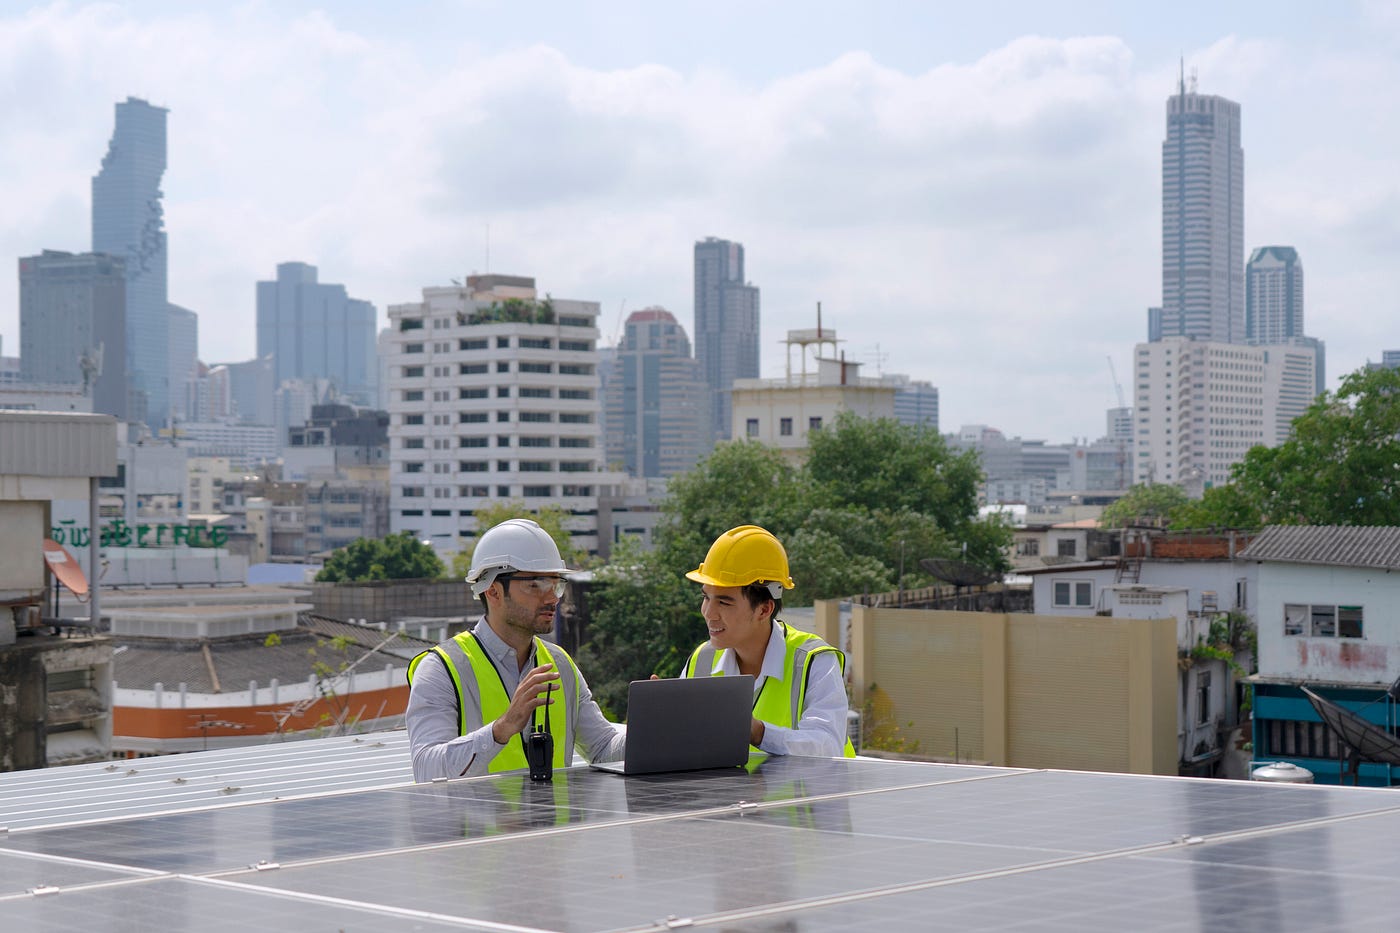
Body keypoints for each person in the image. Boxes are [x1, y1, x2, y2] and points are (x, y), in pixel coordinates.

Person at [406, 518, 624, 781]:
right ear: (493, 591)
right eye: (535, 584)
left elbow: (602, 747)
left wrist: (652, 729)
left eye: (555, 584)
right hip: (477, 811)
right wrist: (501, 729)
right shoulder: (441, 669)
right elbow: (426, 769)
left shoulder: (560, 665)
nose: (552, 597)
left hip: (553, 811)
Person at [682, 524, 855, 758]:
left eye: (724, 602)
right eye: (706, 597)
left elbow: (827, 745)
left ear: (764, 609)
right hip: (736, 784)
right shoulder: (702, 661)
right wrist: (665, 721)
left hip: (814, 785)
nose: (708, 613)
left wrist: (759, 733)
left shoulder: (814, 661)